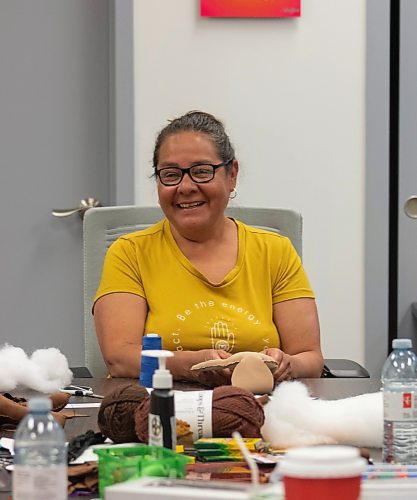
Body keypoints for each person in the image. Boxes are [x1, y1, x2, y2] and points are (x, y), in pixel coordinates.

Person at [93, 111, 323, 385]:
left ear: (232, 175)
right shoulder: (129, 253)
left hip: (262, 408)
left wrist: (288, 364)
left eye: (202, 172)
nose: (186, 186)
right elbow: (119, 357)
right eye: (170, 174)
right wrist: (188, 365)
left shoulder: (276, 251)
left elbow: (309, 356)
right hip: (162, 411)